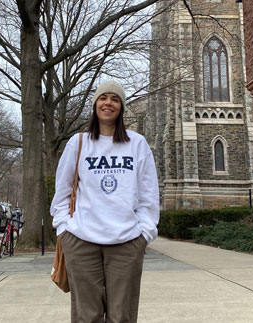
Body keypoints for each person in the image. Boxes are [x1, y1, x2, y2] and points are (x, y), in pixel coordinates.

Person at [50, 80, 159, 322]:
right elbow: (62, 191)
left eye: (115, 99)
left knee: (122, 317)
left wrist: (145, 233)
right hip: (81, 241)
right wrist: (64, 231)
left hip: (127, 242)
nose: (108, 103)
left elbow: (149, 194)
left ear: (121, 107)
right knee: (86, 317)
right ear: (95, 105)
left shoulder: (137, 144)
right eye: (103, 98)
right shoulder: (78, 143)